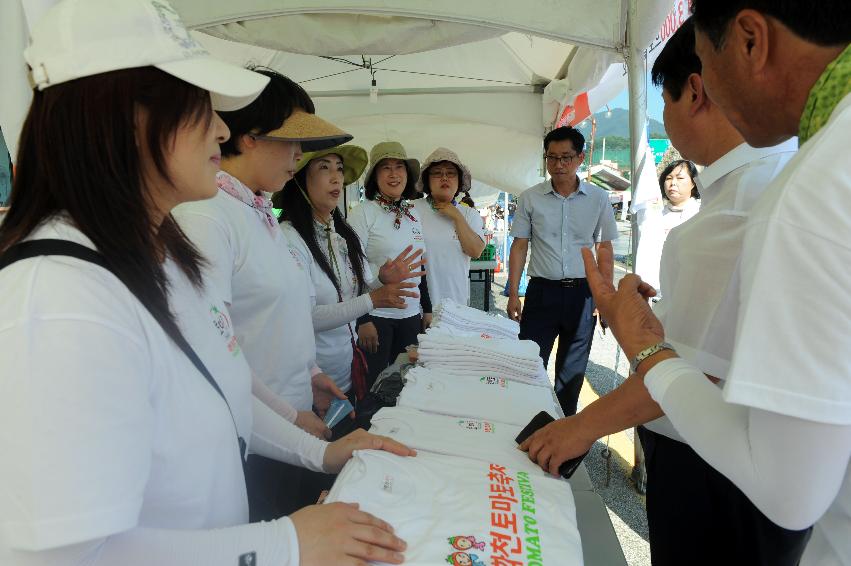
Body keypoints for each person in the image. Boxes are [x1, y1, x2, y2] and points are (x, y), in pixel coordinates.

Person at [0, 1, 413, 565]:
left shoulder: (162, 251)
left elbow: (228, 384)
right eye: (201, 107)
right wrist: (285, 543)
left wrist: (321, 454)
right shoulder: (60, 297)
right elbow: (66, 554)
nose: (222, 128)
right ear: (129, 117)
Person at [558, 3, 851, 564]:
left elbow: (787, 487)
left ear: (747, 41)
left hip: (730, 485)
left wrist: (640, 341)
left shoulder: (794, 195)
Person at [276, 145, 425, 431]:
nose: (336, 178)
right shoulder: (289, 238)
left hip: (344, 373)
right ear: (300, 178)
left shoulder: (338, 233)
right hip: (309, 383)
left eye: (339, 169)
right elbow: (306, 317)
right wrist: (373, 300)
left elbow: (355, 289)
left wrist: (382, 279)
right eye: (324, 168)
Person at [507, 126, 618, 416]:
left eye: (566, 157)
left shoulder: (598, 199)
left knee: (572, 372)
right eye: (552, 158)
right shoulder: (530, 198)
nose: (558, 165)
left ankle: (564, 431)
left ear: (581, 158)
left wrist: (604, 298)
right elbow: (519, 246)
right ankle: (525, 422)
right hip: (542, 291)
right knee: (529, 364)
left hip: (583, 295)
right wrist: (512, 293)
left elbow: (604, 248)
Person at [349, 141, 431, 386]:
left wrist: (426, 309)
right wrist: (362, 320)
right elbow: (351, 269)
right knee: (373, 387)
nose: (394, 174)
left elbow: (419, 267)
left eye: (399, 167)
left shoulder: (413, 214)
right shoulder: (363, 213)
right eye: (385, 168)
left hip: (410, 317)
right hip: (376, 316)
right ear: (375, 176)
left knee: (405, 384)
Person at [413, 147, 486, 308]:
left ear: (459, 180)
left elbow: (475, 251)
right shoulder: (412, 210)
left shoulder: (469, 214)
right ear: (427, 180)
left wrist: (457, 216)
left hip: (455, 305)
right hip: (417, 306)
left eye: (451, 173)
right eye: (437, 173)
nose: (444, 177)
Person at [635, 159, 701, 295]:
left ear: (693, 183)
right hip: (656, 292)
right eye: (669, 178)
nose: (673, 183)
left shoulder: (702, 213)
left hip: (690, 291)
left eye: (680, 178)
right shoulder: (654, 216)